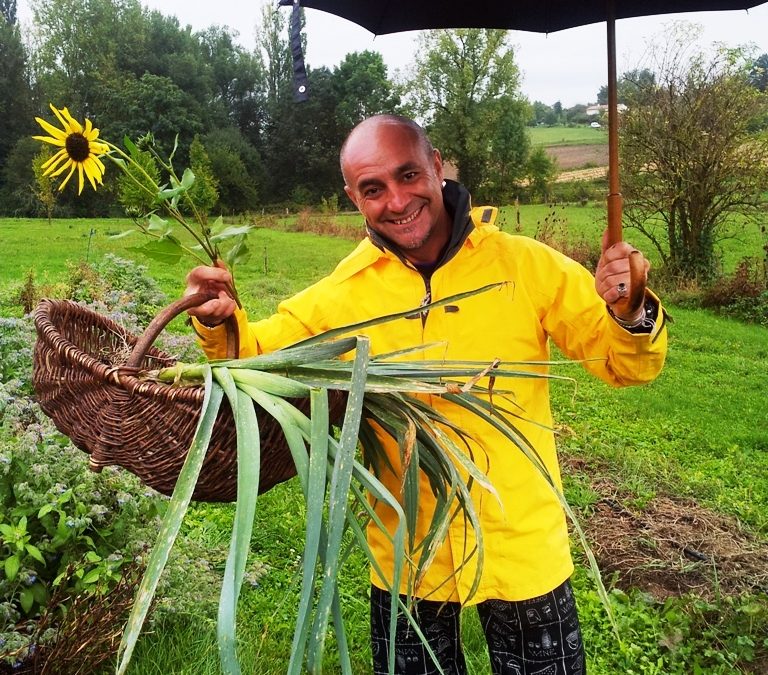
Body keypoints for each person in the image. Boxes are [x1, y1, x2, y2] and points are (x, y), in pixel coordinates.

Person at [184, 114, 668, 675]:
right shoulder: (348, 289)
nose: (396, 200)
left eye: (408, 174)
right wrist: (221, 322)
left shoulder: (523, 264)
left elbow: (622, 364)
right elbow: (262, 351)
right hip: (408, 551)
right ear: (352, 197)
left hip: (522, 543)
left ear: (437, 166)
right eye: (373, 188)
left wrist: (630, 310)